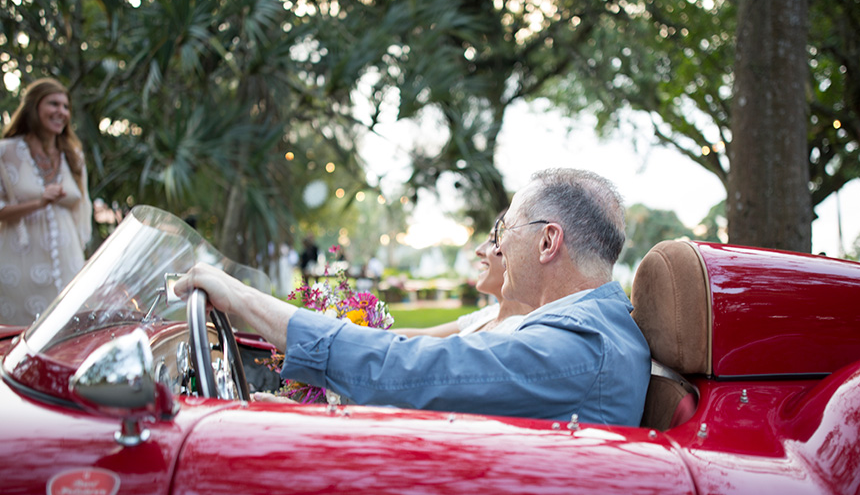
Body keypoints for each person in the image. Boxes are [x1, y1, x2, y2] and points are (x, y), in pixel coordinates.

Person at [174, 168, 651, 426]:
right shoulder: (590, 328)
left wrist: (243, 297)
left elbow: (414, 368)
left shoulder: (576, 345)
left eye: (504, 228)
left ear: (549, 242)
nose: (497, 245)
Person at [0, 78, 91, 325]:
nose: (61, 112)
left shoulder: (73, 156)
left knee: (67, 333)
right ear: (34, 107)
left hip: (68, 261)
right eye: (53, 104)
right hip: (19, 265)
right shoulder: (5, 152)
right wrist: (38, 203)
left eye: (65, 106)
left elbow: (82, 212)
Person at [394, 217, 533, 337]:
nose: (478, 250)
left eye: (493, 241)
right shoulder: (490, 314)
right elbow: (426, 336)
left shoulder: (520, 328)